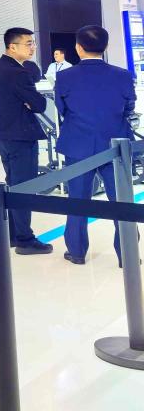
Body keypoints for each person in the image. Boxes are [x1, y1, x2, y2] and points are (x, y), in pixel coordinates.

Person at [54, 25, 136, 265]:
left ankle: (77, 252)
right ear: (106, 46)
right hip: (115, 145)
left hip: (78, 145)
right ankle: (127, 254)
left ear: (78, 48)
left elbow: (61, 109)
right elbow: (129, 106)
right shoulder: (123, 75)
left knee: (78, 200)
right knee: (121, 201)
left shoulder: (65, 76)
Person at [0, 27, 52, 255]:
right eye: (28, 44)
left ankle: (14, 234)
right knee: (24, 187)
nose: (33, 48)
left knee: (13, 183)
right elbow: (39, 104)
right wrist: (30, 102)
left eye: (33, 43)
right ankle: (25, 239)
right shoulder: (18, 73)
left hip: (2, 136)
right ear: (12, 47)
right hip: (21, 137)